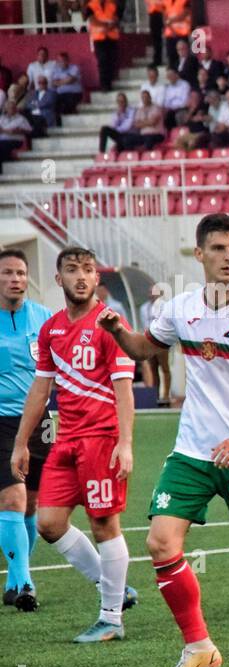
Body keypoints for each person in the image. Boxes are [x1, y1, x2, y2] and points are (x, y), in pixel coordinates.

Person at [98, 213, 229, 667]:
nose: (228, 257)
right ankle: (199, 648)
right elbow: (144, 349)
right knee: (160, 542)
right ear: (200, 254)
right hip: (192, 451)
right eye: (218, 249)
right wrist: (116, 331)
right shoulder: (180, 308)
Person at [10, 246, 138, 640]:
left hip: (101, 440)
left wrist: (125, 442)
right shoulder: (52, 329)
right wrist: (21, 443)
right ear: (57, 278)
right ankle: (113, 586)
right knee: (49, 523)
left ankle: (111, 618)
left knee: (104, 524)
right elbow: (41, 387)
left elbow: (123, 389)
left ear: (97, 278)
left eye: (87, 270)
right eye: (71, 270)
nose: (80, 277)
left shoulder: (110, 324)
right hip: (66, 440)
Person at [0, 249, 54, 611]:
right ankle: (26, 585)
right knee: (13, 498)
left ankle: (15, 578)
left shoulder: (44, 317)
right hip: (2, 421)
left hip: (41, 420)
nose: (15, 279)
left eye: (20, 273)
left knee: (33, 502)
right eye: (7, 273)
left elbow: (58, 367)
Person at [86, 0, 121, 91]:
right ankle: (104, 85)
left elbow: (116, 19)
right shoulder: (91, 5)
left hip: (112, 37)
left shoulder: (112, 5)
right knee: (102, 61)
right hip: (98, 38)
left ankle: (109, 83)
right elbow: (92, 20)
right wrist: (106, 25)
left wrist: (109, 27)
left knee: (111, 61)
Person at [50, 51, 84, 116]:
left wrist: (59, 82)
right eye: (59, 61)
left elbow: (71, 80)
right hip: (60, 94)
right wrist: (65, 80)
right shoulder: (56, 69)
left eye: (62, 60)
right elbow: (53, 83)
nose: (60, 63)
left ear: (67, 60)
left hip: (74, 94)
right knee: (54, 104)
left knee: (68, 104)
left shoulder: (74, 67)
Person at [147, 0, 166, 68]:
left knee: (158, 39)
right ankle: (157, 59)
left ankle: (158, 59)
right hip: (153, 13)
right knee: (155, 39)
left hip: (160, 13)